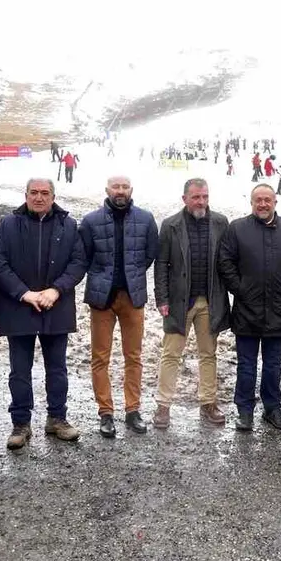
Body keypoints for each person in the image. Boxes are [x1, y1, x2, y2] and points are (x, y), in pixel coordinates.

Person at [0, 179, 87, 450]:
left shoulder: (68, 225)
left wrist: (56, 290)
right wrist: (24, 293)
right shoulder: (8, 224)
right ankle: (21, 423)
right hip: (18, 305)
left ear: (53, 197)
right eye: (34, 193)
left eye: (45, 193)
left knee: (57, 368)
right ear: (26, 195)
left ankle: (57, 418)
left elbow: (78, 263)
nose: (39, 197)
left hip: (55, 306)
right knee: (19, 370)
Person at [217, 183, 281, 432]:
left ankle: (272, 408)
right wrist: (241, 288)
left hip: (280, 310)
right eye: (259, 200)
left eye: (268, 200)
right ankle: (244, 411)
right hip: (247, 310)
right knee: (246, 365)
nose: (263, 204)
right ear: (252, 202)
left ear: (275, 203)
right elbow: (225, 262)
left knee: (273, 364)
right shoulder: (237, 229)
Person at [79, 175, 159, 438]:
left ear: (131, 190)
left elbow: (149, 255)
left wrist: (132, 276)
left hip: (132, 298)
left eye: (125, 187)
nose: (120, 191)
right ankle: (105, 412)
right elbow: (85, 257)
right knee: (100, 357)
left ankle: (132, 409)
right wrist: (103, 279)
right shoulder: (91, 221)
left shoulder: (146, 219)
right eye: (116, 187)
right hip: (102, 299)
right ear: (107, 190)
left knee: (133, 356)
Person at [152, 179, 230, 429]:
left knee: (208, 354)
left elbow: (227, 261)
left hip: (209, 300)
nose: (201, 202)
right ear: (184, 198)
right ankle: (163, 406)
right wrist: (162, 298)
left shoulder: (220, 223)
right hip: (178, 302)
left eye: (205, 196)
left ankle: (208, 402)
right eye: (196, 197)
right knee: (171, 354)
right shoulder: (171, 225)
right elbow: (161, 264)